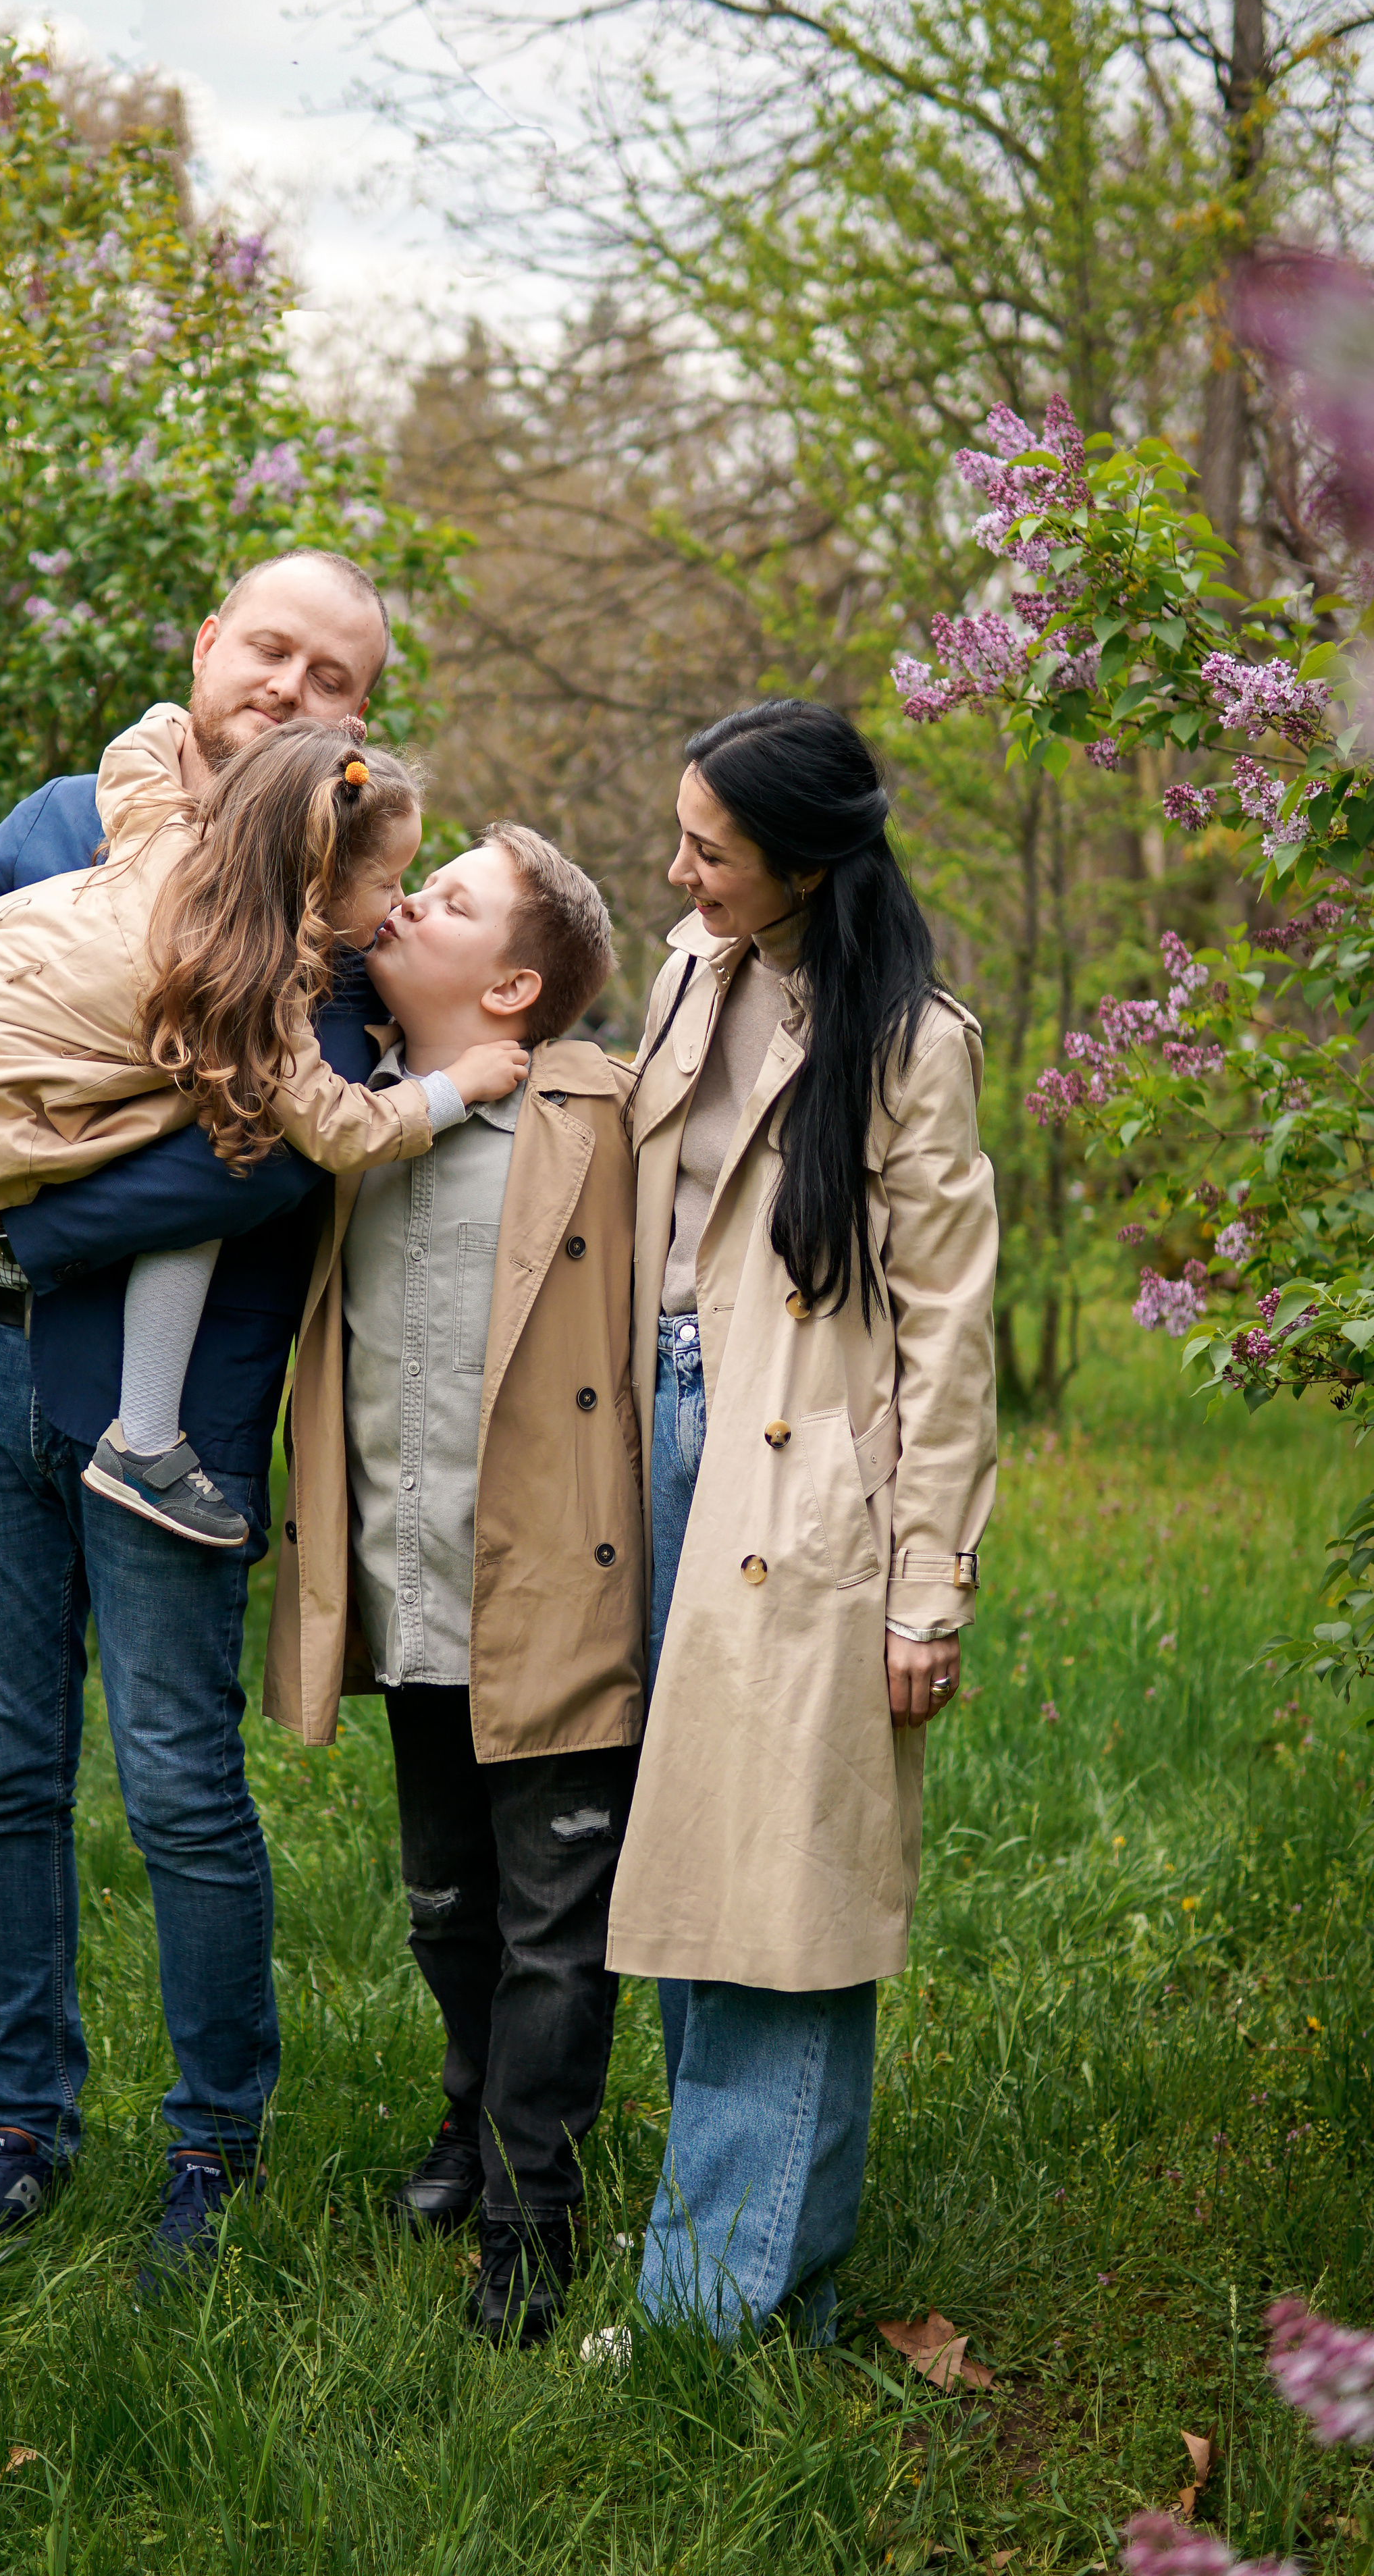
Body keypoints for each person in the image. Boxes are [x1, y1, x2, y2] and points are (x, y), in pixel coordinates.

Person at [0, 548, 416, 2289]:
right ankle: (22, 2128)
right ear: (207, 645)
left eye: (332, 676)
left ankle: (210, 2145)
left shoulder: (337, 871)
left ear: (359, 719)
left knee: (175, 1775)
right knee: (2, 1763)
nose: (289, 688)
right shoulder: (60, 821)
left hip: (170, 1396)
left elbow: (279, 1150)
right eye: (270, 649)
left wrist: (25, 1218)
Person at [604, 698, 998, 2344]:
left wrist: (924, 1586)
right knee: (697, 1855)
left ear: (808, 865)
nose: (678, 872)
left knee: (782, 1881)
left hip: (801, 1475)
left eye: (710, 850)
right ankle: (745, 2272)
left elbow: (947, 1331)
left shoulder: (908, 1041)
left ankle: (715, 2309)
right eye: (681, 837)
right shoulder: (688, 974)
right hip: (654, 1438)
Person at [0, 710, 525, 1544]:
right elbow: (339, 1128)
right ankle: (142, 1441)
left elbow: (133, 757)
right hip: (0, 1112)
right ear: (321, 879)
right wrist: (453, 1089)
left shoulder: (161, 830)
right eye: (388, 883)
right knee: (220, 1139)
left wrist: (183, 720)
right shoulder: (260, 981)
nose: (397, 903)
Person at [262, 824, 641, 2347]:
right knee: (443, 1906)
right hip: (406, 1593)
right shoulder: (348, 1110)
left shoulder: (596, 1116)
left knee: (554, 1924)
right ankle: (473, 2107)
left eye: (455, 899)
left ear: (513, 989)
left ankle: (529, 2214)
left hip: (553, 1596)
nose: (411, 900)